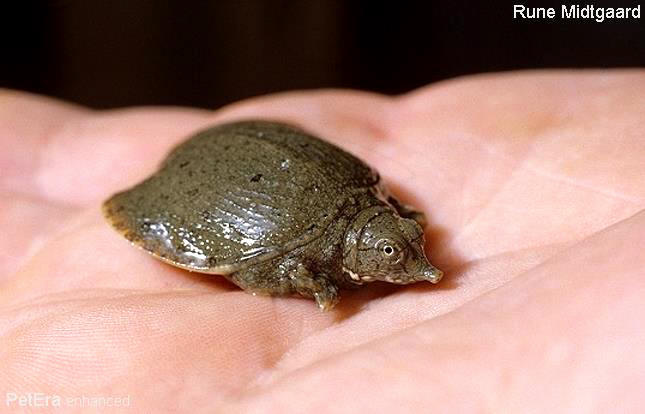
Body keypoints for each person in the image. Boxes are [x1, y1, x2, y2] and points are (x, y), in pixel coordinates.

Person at [1, 71, 644, 412]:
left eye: (406, 246)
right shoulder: (299, 240)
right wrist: (306, 279)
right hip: (214, 184)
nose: (421, 264)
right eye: (397, 255)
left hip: (258, 156)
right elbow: (255, 269)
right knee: (255, 258)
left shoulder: (373, 192)